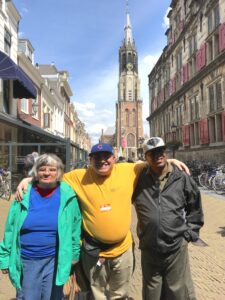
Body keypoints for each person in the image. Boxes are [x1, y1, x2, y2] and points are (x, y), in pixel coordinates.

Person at [15, 143, 189, 300]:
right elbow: (51, 177)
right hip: (94, 251)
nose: (102, 161)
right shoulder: (78, 176)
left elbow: (153, 163)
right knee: (97, 293)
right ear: (90, 160)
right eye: (97, 157)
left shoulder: (128, 170)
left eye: (106, 156)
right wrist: (29, 179)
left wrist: (171, 160)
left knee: (120, 294)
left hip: (122, 249)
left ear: (114, 158)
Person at [0, 153, 81, 300]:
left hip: (55, 259)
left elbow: (75, 226)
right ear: (36, 172)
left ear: (59, 172)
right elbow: (10, 229)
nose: (47, 173)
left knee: (53, 297)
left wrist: (74, 254)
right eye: (42, 169)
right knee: (28, 297)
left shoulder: (67, 195)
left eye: (52, 169)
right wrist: (4, 258)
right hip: (27, 259)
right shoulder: (23, 194)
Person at [132, 137, 204, 300]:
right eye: (152, 153)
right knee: (151, 292)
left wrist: (190, 233)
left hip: (175, 247)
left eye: (161, 151)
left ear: (165, 152)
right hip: (149, 247)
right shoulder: (138, 178)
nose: (158, 155)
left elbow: (195, 206)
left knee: (176, 291)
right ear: (146, 157)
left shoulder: (181, 177)